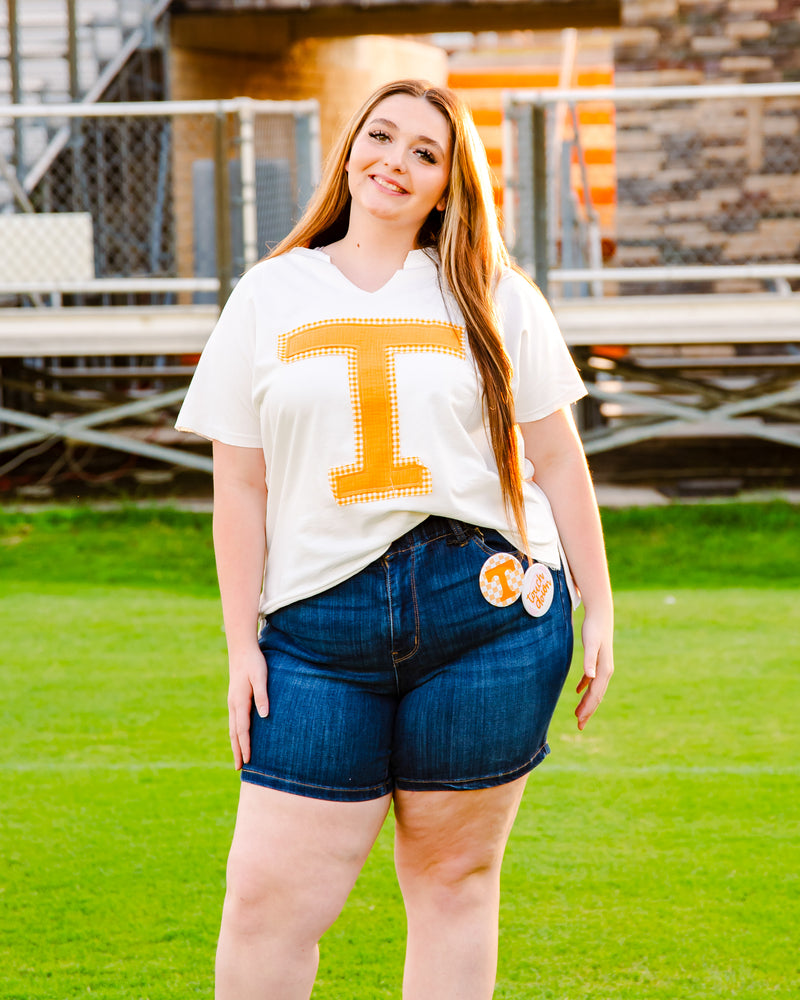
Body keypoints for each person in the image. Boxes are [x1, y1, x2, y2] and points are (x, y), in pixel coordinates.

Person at [176, 78, 614, 1000]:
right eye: (382, 136)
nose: (397, 162)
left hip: (486, 615)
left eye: (427, 152)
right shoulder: (270, 293)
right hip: (315, 628)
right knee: (267, 900)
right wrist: (239, 646)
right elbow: (240, 485)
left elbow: (559, 461)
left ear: (450, 184)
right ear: (348, 150)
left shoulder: (495, 292)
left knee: (454, 884)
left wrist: (600, 601)